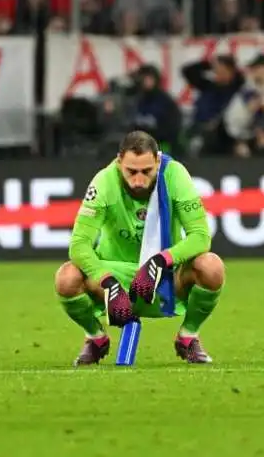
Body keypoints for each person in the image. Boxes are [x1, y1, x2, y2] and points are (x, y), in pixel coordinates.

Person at [54, 130, 225, 366]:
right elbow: (79, 244)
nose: (138, 180)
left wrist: (159, 261)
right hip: (114, 280)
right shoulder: (104, 181)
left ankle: (188, 336)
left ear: (157, 161)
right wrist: (108, 283)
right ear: (118, 161)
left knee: (212, 266)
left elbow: (201, 237)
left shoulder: (174, 175)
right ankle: (95, 338)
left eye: (147, 171)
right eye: (131, 172)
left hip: (164, 278)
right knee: (66, 277)